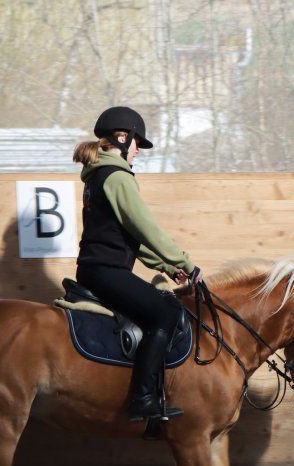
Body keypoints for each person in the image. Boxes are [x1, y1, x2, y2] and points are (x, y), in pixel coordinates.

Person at [72, 106, 203, 421]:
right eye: (137, 144)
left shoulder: (98, 175)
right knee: (166, 311)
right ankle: (142, 399)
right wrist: (185, 261)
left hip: (96, 268)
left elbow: (128, 237)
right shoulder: (117, 176)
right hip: (106, 272)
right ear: (122, 138)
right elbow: (147, 229)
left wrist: (169, 268)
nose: (138, 152)